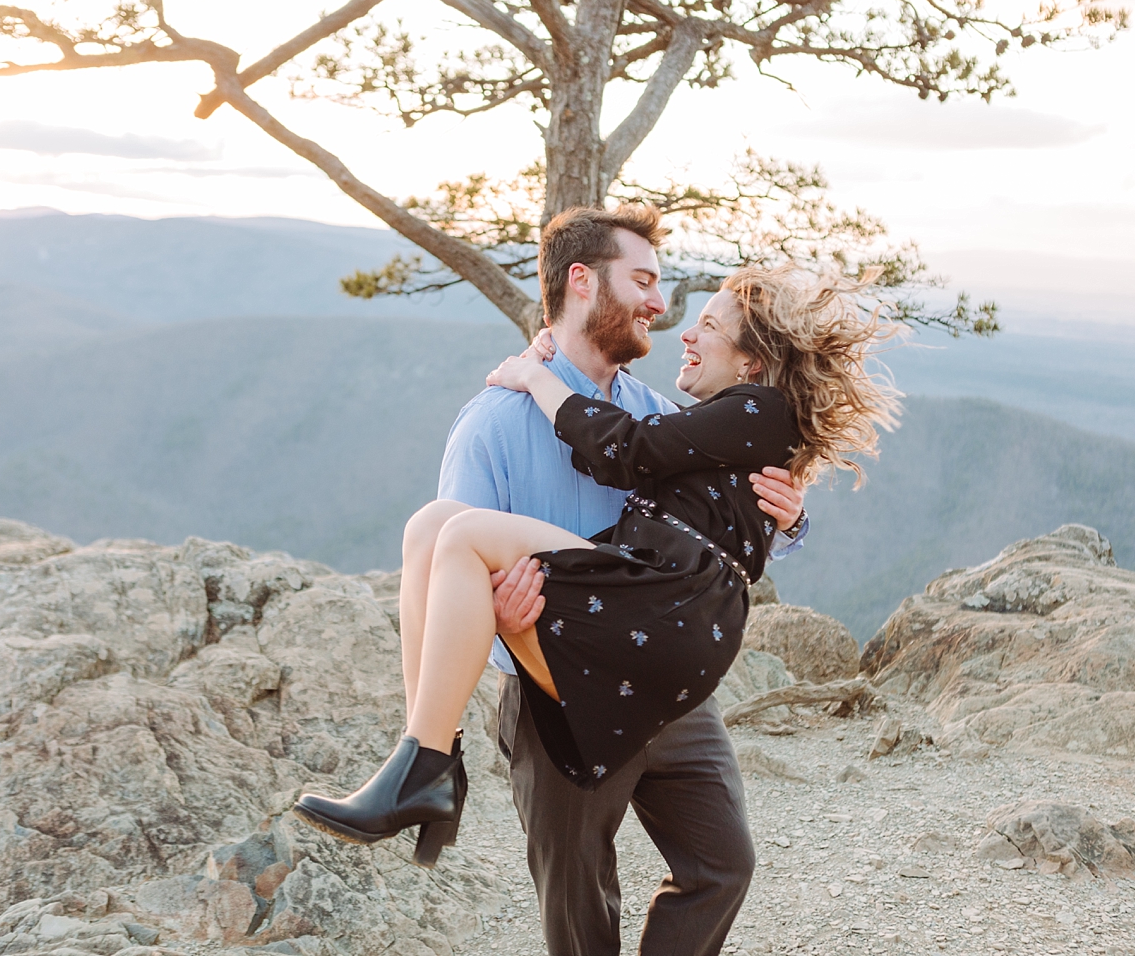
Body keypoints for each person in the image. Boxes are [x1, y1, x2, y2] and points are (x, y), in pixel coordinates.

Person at [295, 206, 892, 954]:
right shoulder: (495, 420)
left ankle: (425, 768)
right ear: (583, 282)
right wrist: (504, 619)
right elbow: (452, 569)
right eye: (643, 281)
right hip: (556, 680)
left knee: (723, 866)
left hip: (662, 674)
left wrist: (792, 517)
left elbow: (716, 520)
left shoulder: (655, 412)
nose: (660, 305)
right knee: (578, 904)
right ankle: (426, 757)